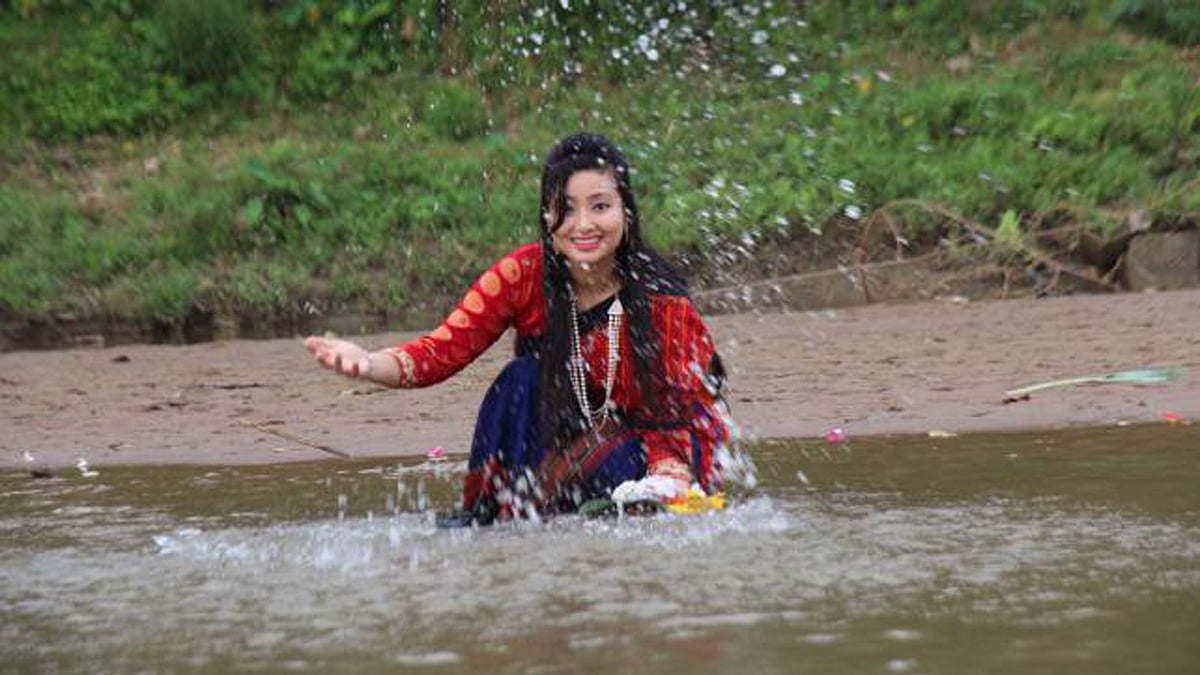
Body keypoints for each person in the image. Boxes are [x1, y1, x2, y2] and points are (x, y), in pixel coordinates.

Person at [304, 132, 731, 523]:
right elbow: (440, 351)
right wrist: (368, 363)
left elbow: (677, 422)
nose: (583, 225)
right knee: (519, 382)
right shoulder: (523, 275)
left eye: (600, 206)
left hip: (653, 454)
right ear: (547, 217)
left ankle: (591, 510)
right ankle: (497, 513)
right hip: (565, 440)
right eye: (566, 209)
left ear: (626, 212)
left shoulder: (662, 302)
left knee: (628, 491)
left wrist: (669, 485)